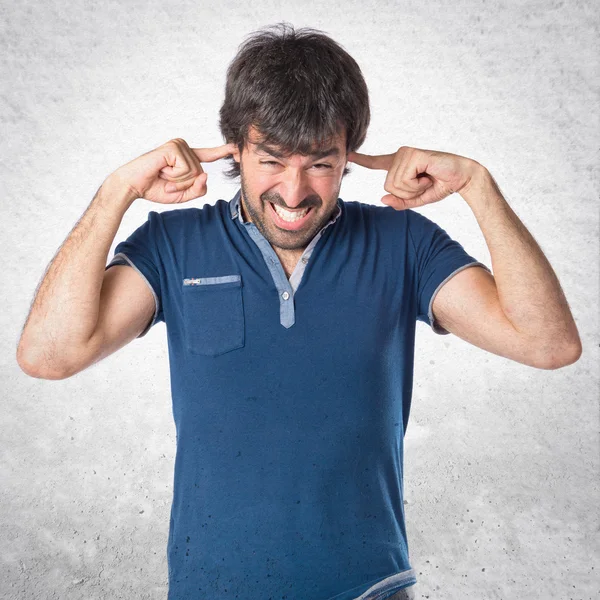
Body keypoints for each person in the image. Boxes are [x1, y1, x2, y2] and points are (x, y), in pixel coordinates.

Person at [16, 22, 581, 600]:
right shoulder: (172, 245)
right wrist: (116, 192)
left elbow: (548, 344)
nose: (293, 192)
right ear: (234, 148)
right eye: (271, 160)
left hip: (371, 589)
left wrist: (479, 186)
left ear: (349, 158)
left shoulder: (404, 243)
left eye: (319, 163)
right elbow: (48, 356)